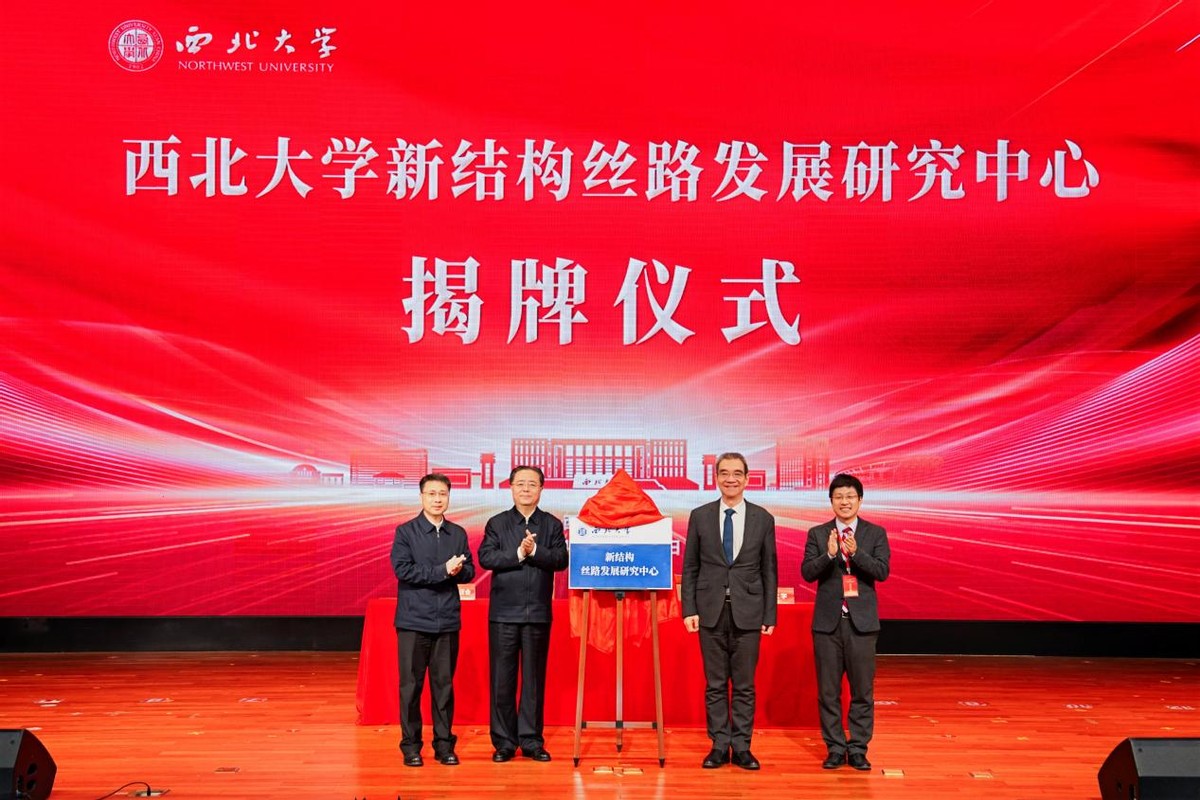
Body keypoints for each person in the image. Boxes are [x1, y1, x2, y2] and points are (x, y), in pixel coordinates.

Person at [681, 452, 778, 770]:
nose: (730, 479)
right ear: (716, 478)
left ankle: (743, 746)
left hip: (749, 612)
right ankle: (719, 745)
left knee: (745, 685)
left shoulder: (763, 518)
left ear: (747, 479)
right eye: (724, 473)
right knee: (715, 684)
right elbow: (690, 567)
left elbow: (769, 570)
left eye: (737, 473)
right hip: (709, 611)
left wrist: (769, 614)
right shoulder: (700, 516)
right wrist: (689, 609)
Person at [477, 465, 569, 763]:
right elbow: (486, 557)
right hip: (503, 613)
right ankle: (504, 742)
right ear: (511, 488)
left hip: (537, 614)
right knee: (502, 680)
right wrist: (518, 553)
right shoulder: (497, 523)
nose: (526, 489)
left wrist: (535, 551)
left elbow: (561, 559)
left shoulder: (551, 524)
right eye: (520, 484)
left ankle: (531, 741)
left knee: (533, 681)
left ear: (541, 489)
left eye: (532, 484)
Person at [801, 473, 891, 771]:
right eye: (838, 497)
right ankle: (835, 748)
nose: (844, 501)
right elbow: (807, 573)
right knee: (828, 692)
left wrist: (857, 553)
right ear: (831, 501)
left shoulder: (875, 533)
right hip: (827, 625)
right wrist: (829, 554)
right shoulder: (817, 534)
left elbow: (881, 572)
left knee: (862, 691)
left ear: (860, 500)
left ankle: (859, 748)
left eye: (850, 496)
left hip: (862, 625)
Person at [390, 473, 476, 767]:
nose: (438, 499)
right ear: (421, 497)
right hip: (413, 622)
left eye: (443, 494)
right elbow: (403, 570)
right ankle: (411, 747)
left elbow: (470, 570)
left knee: (444, 687)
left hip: (447, 621)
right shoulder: (406, 532)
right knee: (410, 688)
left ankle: (444, 745)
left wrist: (458, 571)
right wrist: (442, 571)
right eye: (432, 494)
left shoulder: (457, 533)